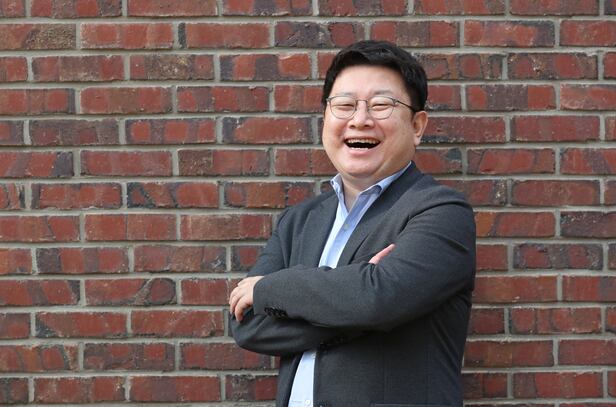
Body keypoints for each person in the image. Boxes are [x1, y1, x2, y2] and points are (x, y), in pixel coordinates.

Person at [229, 40, 476, 407]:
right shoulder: (299, 221)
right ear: (325, 119)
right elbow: (247, 324)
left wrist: (271, 289)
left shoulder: (442, 212)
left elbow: (379, 298)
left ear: (417, 125)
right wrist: (354, 305)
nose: (360, 119)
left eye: (381, 105)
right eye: (344, 105)